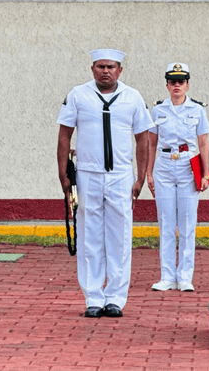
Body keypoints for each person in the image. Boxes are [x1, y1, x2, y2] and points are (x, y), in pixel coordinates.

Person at [57, 48, 154, 318]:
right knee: (89, 235)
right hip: (88, 174)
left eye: (111, 67)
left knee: (120, 235)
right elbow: (64, 135)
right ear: (92, 69)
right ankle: (92, 297)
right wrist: (63, 173)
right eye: (100, 66)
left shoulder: (132, 97)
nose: (105, 71)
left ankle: (115, 298)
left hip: (120, 175)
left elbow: (143, 139)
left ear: (120, 70)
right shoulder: (78, 95)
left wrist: (140, 176)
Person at [147, 63, 209, 292]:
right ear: (167, 85)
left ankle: (185, 276)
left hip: (187, 165)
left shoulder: (197, 110)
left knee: (187, 223)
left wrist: (205, 173)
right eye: (172, 82)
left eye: (181, 82)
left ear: (187, 85)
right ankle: (166, 276)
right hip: (164, 166)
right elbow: (151, 143)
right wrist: (148, 173)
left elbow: (203, 142)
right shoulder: (158, 110)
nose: (177, 86)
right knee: (166, 222)